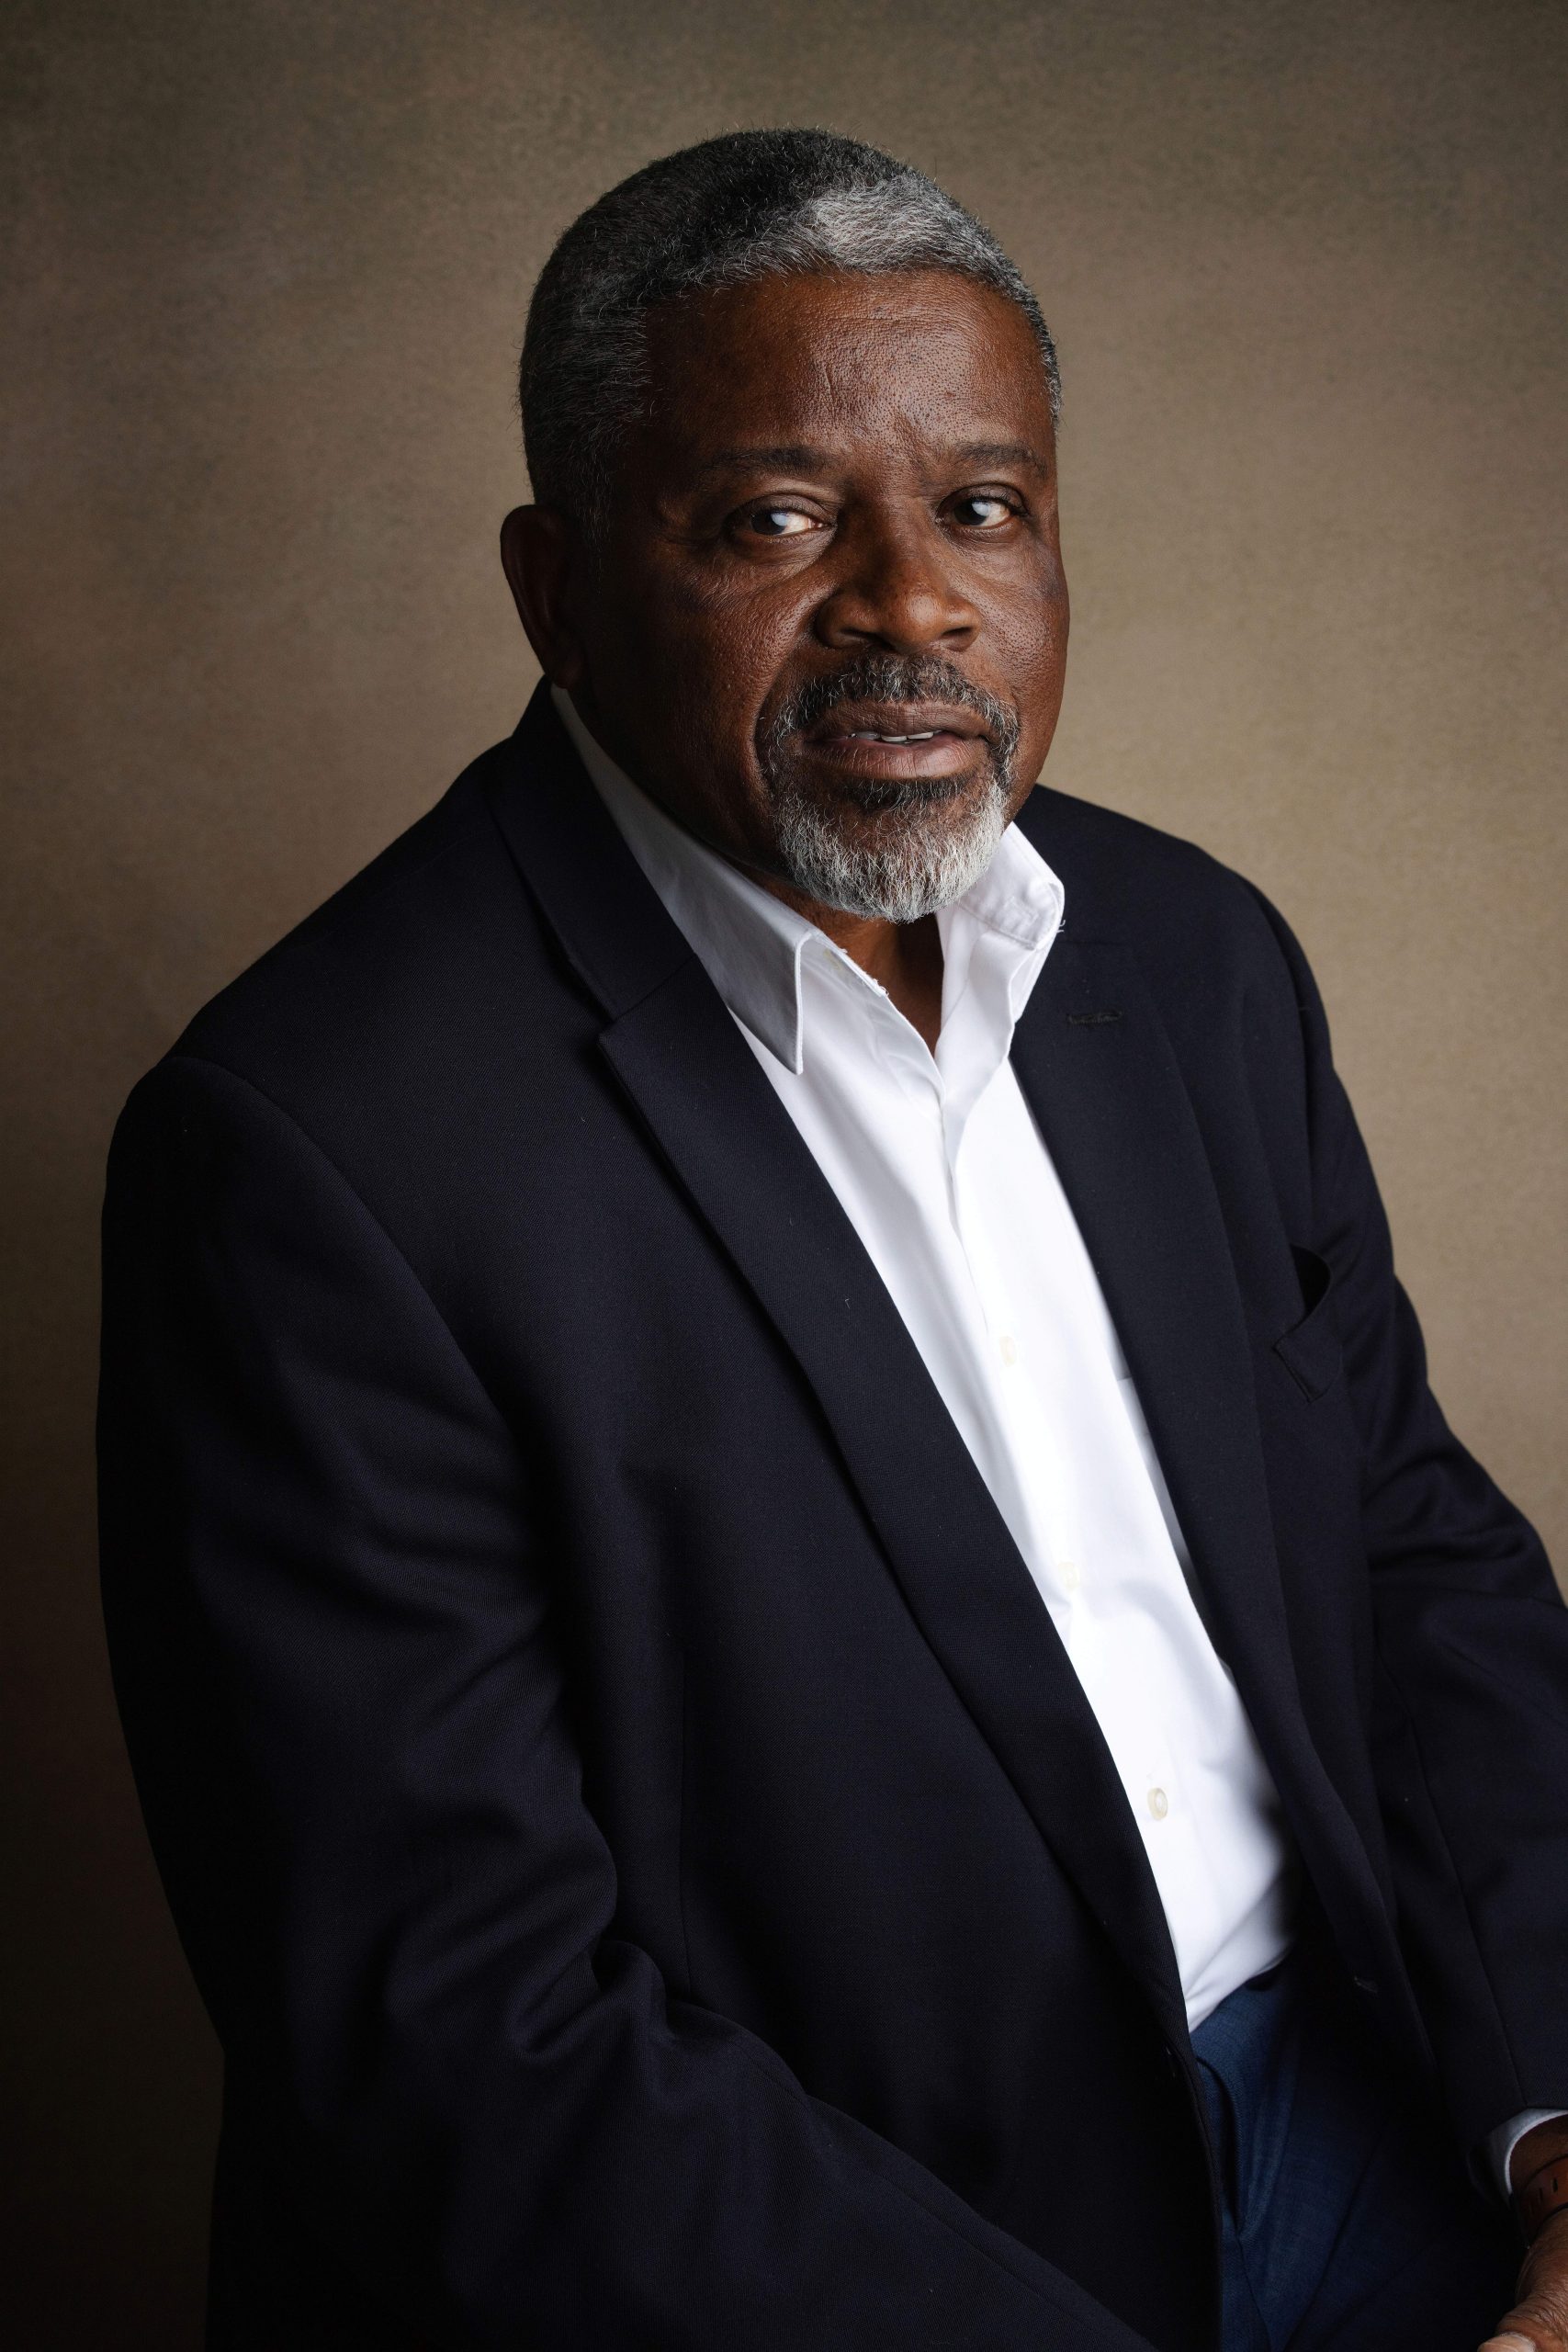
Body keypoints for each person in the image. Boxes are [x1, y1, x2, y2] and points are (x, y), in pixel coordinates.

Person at [98, 128, 1568, 2352]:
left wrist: (1554, 2116)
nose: (911, 602)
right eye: (775, 519)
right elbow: (463, 2034)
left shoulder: (1191, 959)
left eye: (980, 507)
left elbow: (1404, 1557)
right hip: (868, 2244)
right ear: (554, 586)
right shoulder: (311, 1149)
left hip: (1371, 2100)